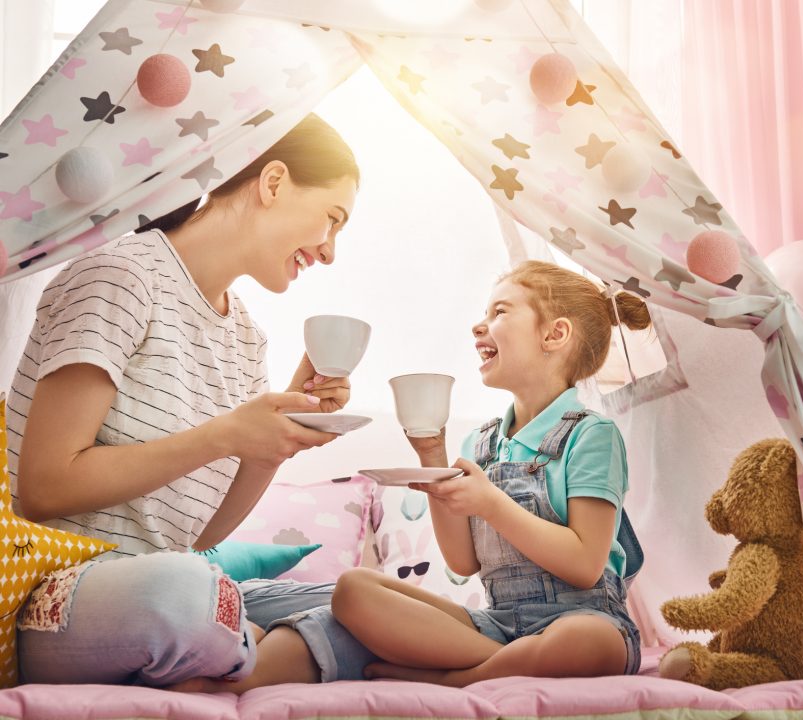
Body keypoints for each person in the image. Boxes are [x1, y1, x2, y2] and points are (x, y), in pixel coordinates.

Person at [7, 113, 378, 687]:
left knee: (372, 604)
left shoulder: (246, 339)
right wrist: (224, 434)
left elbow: (195, 539)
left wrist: (271, 445)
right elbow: (44, 487)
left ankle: (225, 661)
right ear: (272, 182)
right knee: (186, 595)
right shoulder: (121, 277)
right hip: (56, 590)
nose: (329, 252)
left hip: (166, 579)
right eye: (332, 220)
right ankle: (257, 656)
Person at [330, 260, 650, 686]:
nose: (479, 327)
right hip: (497, 623)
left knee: (584, 640)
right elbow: (463, 562)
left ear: (554, 334)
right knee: (354, 590)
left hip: (586, 616)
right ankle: (502, 664)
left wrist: (491, 503)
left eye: (500, 312)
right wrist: (432, 457)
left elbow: (585, 565)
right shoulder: (479, 445)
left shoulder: (592, 435)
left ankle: (457, 677)